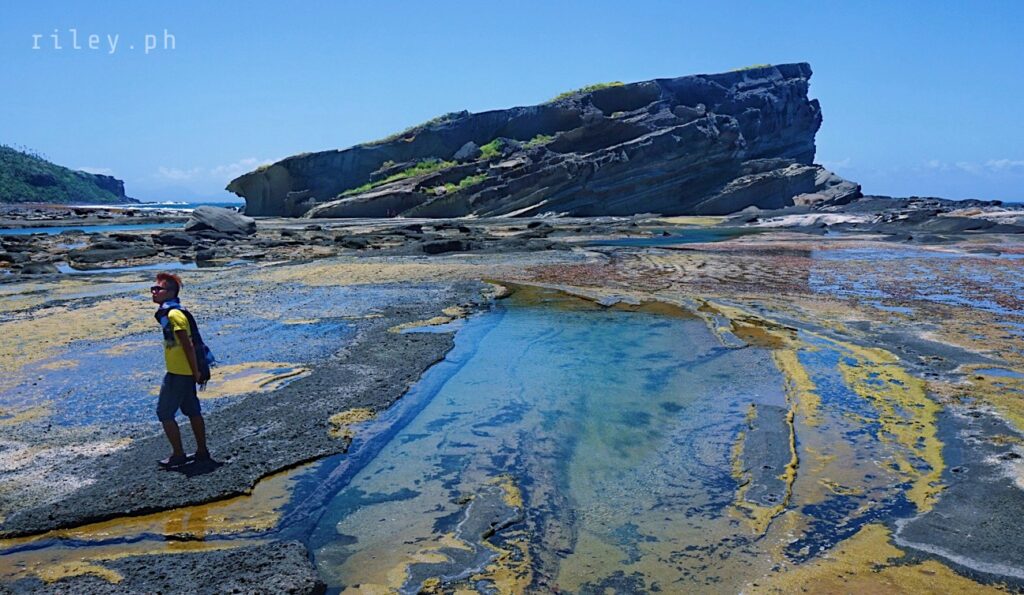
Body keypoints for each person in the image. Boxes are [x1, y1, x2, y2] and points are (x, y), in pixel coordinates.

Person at [151, 272, 210, 468]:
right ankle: (202, 451)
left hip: (179, 373)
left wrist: (196, 372)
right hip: (185, 372)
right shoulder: (170, 312)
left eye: (158, 289)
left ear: (170, 292)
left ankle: (178, 454)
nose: (154, 292)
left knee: (164, 412)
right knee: (192, 410)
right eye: (153, 288)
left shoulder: (173, 314)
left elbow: (188, 344)